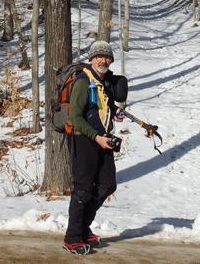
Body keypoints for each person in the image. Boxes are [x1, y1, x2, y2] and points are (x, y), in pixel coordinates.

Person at [63, 40, 127, 255]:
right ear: (91, 59)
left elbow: (103, 106)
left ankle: (83, 228)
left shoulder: (104, 82)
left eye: (107, 57)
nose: (103, 60)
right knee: (82, 189)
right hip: (84, 139)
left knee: (107, 184)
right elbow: (75, 117)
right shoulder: (83, 82)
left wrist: (115, 113)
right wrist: (96, 137)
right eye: (99, 56)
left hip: (103, 139)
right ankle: (72, 237)